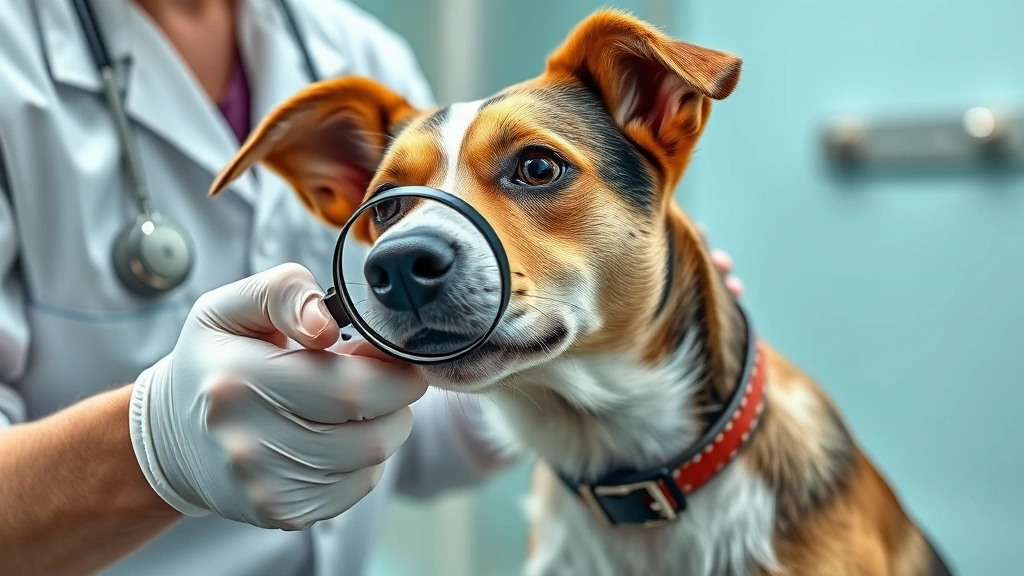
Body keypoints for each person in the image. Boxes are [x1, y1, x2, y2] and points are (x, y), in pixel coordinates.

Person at [0, 1, 743, 575]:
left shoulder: (350, 48)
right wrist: (155, 446)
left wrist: (621, 350)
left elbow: (413, 435)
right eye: (386, 207)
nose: (403, 245)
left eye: (536, 171)